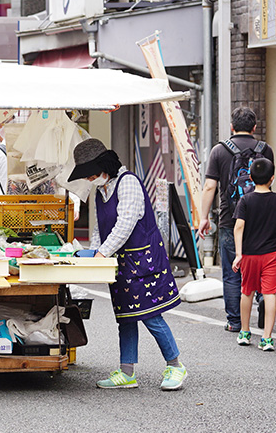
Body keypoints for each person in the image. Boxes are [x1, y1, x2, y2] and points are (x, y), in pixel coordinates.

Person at [68, 138, 186, 390]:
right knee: (126, 317)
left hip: (143, 260)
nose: (89, 180)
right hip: (120, 263)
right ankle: (127, 372)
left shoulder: (128, 182)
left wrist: (103, 254)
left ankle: (176, 366)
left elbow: (126, 223)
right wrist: (94, 254)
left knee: (151, 316)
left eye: (90, 174)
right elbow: (100, 228)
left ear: (103, 167)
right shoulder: (102, 189)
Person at [198, 106, 274, 333]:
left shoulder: (219, 151)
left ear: (232, 127)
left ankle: (235, 321)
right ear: (254, 127)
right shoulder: (265, 149)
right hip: (261, 220)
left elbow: (210, 186)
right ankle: (262, 297)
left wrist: (204, 217)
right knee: (261, 266)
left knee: (233, 272)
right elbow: (269, 182)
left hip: (230, 220)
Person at [232, 158, 276, 351]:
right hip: (270, 254)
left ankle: (244, 332)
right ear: (272, 178)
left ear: (250, 178)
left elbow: (239, 226)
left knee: (247, 291)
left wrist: (238, 254)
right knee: (269, 293)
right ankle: (267, 338)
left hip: (249, 254)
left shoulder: (245, 200)